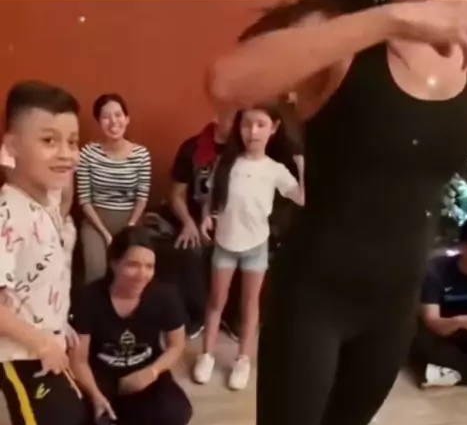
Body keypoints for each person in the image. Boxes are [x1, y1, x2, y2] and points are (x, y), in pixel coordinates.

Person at [204, 0, 467, 425]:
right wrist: (394, 20)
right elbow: (225, 82)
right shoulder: (342, 31)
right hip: (316, 295)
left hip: (394, 304)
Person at [0, 81, 88, 425]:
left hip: (48, 343)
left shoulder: (47, 201)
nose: (66, 153)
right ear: (12, 146)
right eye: (49, 140)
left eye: (73, 141)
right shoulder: (8, 214)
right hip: (21, 355)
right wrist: (40, 341)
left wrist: (59, 327)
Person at [193, 106, 303, 391]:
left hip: (256, 246)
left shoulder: (275, 170)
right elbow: (211, 197)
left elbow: (302, 198)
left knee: (250, 305)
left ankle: (243, 359)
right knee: (216, 301)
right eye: (246, 125)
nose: (252, 132)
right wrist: (206, 217)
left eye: (260, 125)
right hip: (225, 244)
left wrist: (301, 163)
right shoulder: (226, 162)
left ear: (273, 128)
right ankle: (207, 355)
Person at [70, 226, 192, 425]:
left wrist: (152, 372)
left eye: (149, 266)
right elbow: (78, 359)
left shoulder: (165, 295)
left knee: (177, 413)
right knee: (60, 418)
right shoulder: (88, 297)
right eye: (133, 265)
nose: (142, 274)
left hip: (142, 375)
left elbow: (177, 345)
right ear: (114, 264)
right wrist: (96, 395)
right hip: (99, 378)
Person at [157, 112, 241, 340]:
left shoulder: (243, 151)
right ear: (218, 117)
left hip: (230, 220)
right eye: (231, 118)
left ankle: (230, 316)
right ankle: (197, 314)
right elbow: (176, 195)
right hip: (191, 218)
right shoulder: (192, 148)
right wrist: (188, 223)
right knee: (189, 250)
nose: (237, 124)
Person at [77, 93, 152, 283]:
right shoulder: (88, 153)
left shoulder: (141, 154)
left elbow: (142, 197)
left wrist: (131, 226)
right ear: (98, 122)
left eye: (118, 115)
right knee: (96, 272)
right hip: (96, 220)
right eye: (105, 117)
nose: (113, 122)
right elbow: (84, 199)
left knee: (129, 271)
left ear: (127, 119)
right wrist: (104, 233)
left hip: (130, 219)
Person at [411, 213, 467, 388]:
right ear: (464, 248)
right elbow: (433, 322)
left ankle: (452, 374)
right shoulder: (436, 272)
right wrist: (460, 322)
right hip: (443, 335)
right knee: (419, 339)